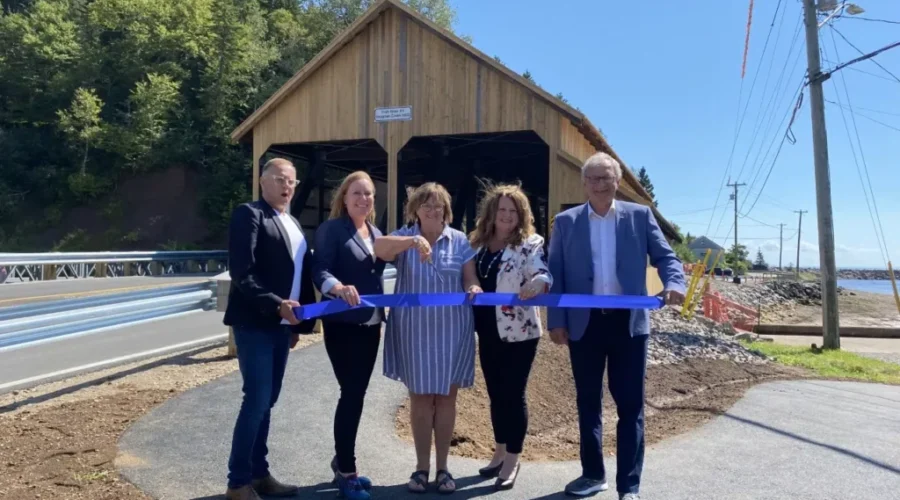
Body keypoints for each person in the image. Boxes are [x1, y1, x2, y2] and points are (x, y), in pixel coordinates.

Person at [547, 152, 685, 500]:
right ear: (584, 183)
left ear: (617, 182)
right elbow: (556, 271)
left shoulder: (640, 216)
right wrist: (556, 320)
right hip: (584, 324)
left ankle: (629, 486)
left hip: (629, 326)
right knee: (587, 403)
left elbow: (666, 257)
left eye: (606, 177)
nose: (599, 184)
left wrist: (674, 282)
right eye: (592, 178)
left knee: (630, 405)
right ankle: (593, 475)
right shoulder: (565, 222)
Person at [373, 182, 482, 494]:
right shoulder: (404, 236)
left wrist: (474, 288)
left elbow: (469, 278)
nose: (433, 210)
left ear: (446, 209)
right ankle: (421, 468)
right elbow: (379, 248)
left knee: (447, 399)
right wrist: (411, 242)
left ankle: (443, 468)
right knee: (420, 398)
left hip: (453, 330)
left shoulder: (459, 240)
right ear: (415, 210)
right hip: (414, 331)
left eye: (438, 205)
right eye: (427, 205)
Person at [222, 158, 317, 500]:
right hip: (255, 322)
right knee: (257, 399)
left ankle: (259, 474)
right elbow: (241, 271)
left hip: (281, 327)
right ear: (263, 181)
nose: (287, 186)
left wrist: (297, 324)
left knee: (268, 401)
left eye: (292, 181)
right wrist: (276, 303)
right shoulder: (249, 214)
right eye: (279, 179)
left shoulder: (293, 222)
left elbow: (300, 274)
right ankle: (237, 482)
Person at [468, 183, 552, 491]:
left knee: (513, 395)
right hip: (487, 330)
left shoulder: (530, 243)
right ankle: (500, 451)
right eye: (501, 209)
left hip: (520, 333)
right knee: (495, 394)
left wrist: (539, 281)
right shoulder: (477, 243)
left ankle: (513, 458)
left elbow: (541, 271)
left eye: (512, 211)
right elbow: (468, 275)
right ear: (492, 212)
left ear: (521, 215)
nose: (506, 215)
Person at [312, 171, 386, 500]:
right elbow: (320, 269)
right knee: (351, 394)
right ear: (344, 197)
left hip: (371, 324)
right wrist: (338, 287)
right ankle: (346, 471)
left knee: (357, 394)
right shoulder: (331, 230)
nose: (363, 199)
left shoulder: (376, 233)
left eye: (368, 194)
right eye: (357, 193)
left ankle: (341, 459)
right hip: (342, 325)